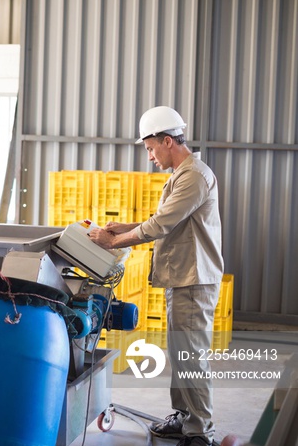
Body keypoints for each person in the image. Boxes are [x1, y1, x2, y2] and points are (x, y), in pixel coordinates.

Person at [88, 105, 223, 446]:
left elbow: (161, 225)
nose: (149, 156)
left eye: (150, 148)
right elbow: (164, 218)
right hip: (181, 278)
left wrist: (112, 240)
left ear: (167, 141)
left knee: (191, 356)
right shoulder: (182, 176)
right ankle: (184, 418)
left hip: (193, 280)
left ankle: (200, 431)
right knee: (182, 353)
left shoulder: (194, 175)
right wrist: (125, 226)